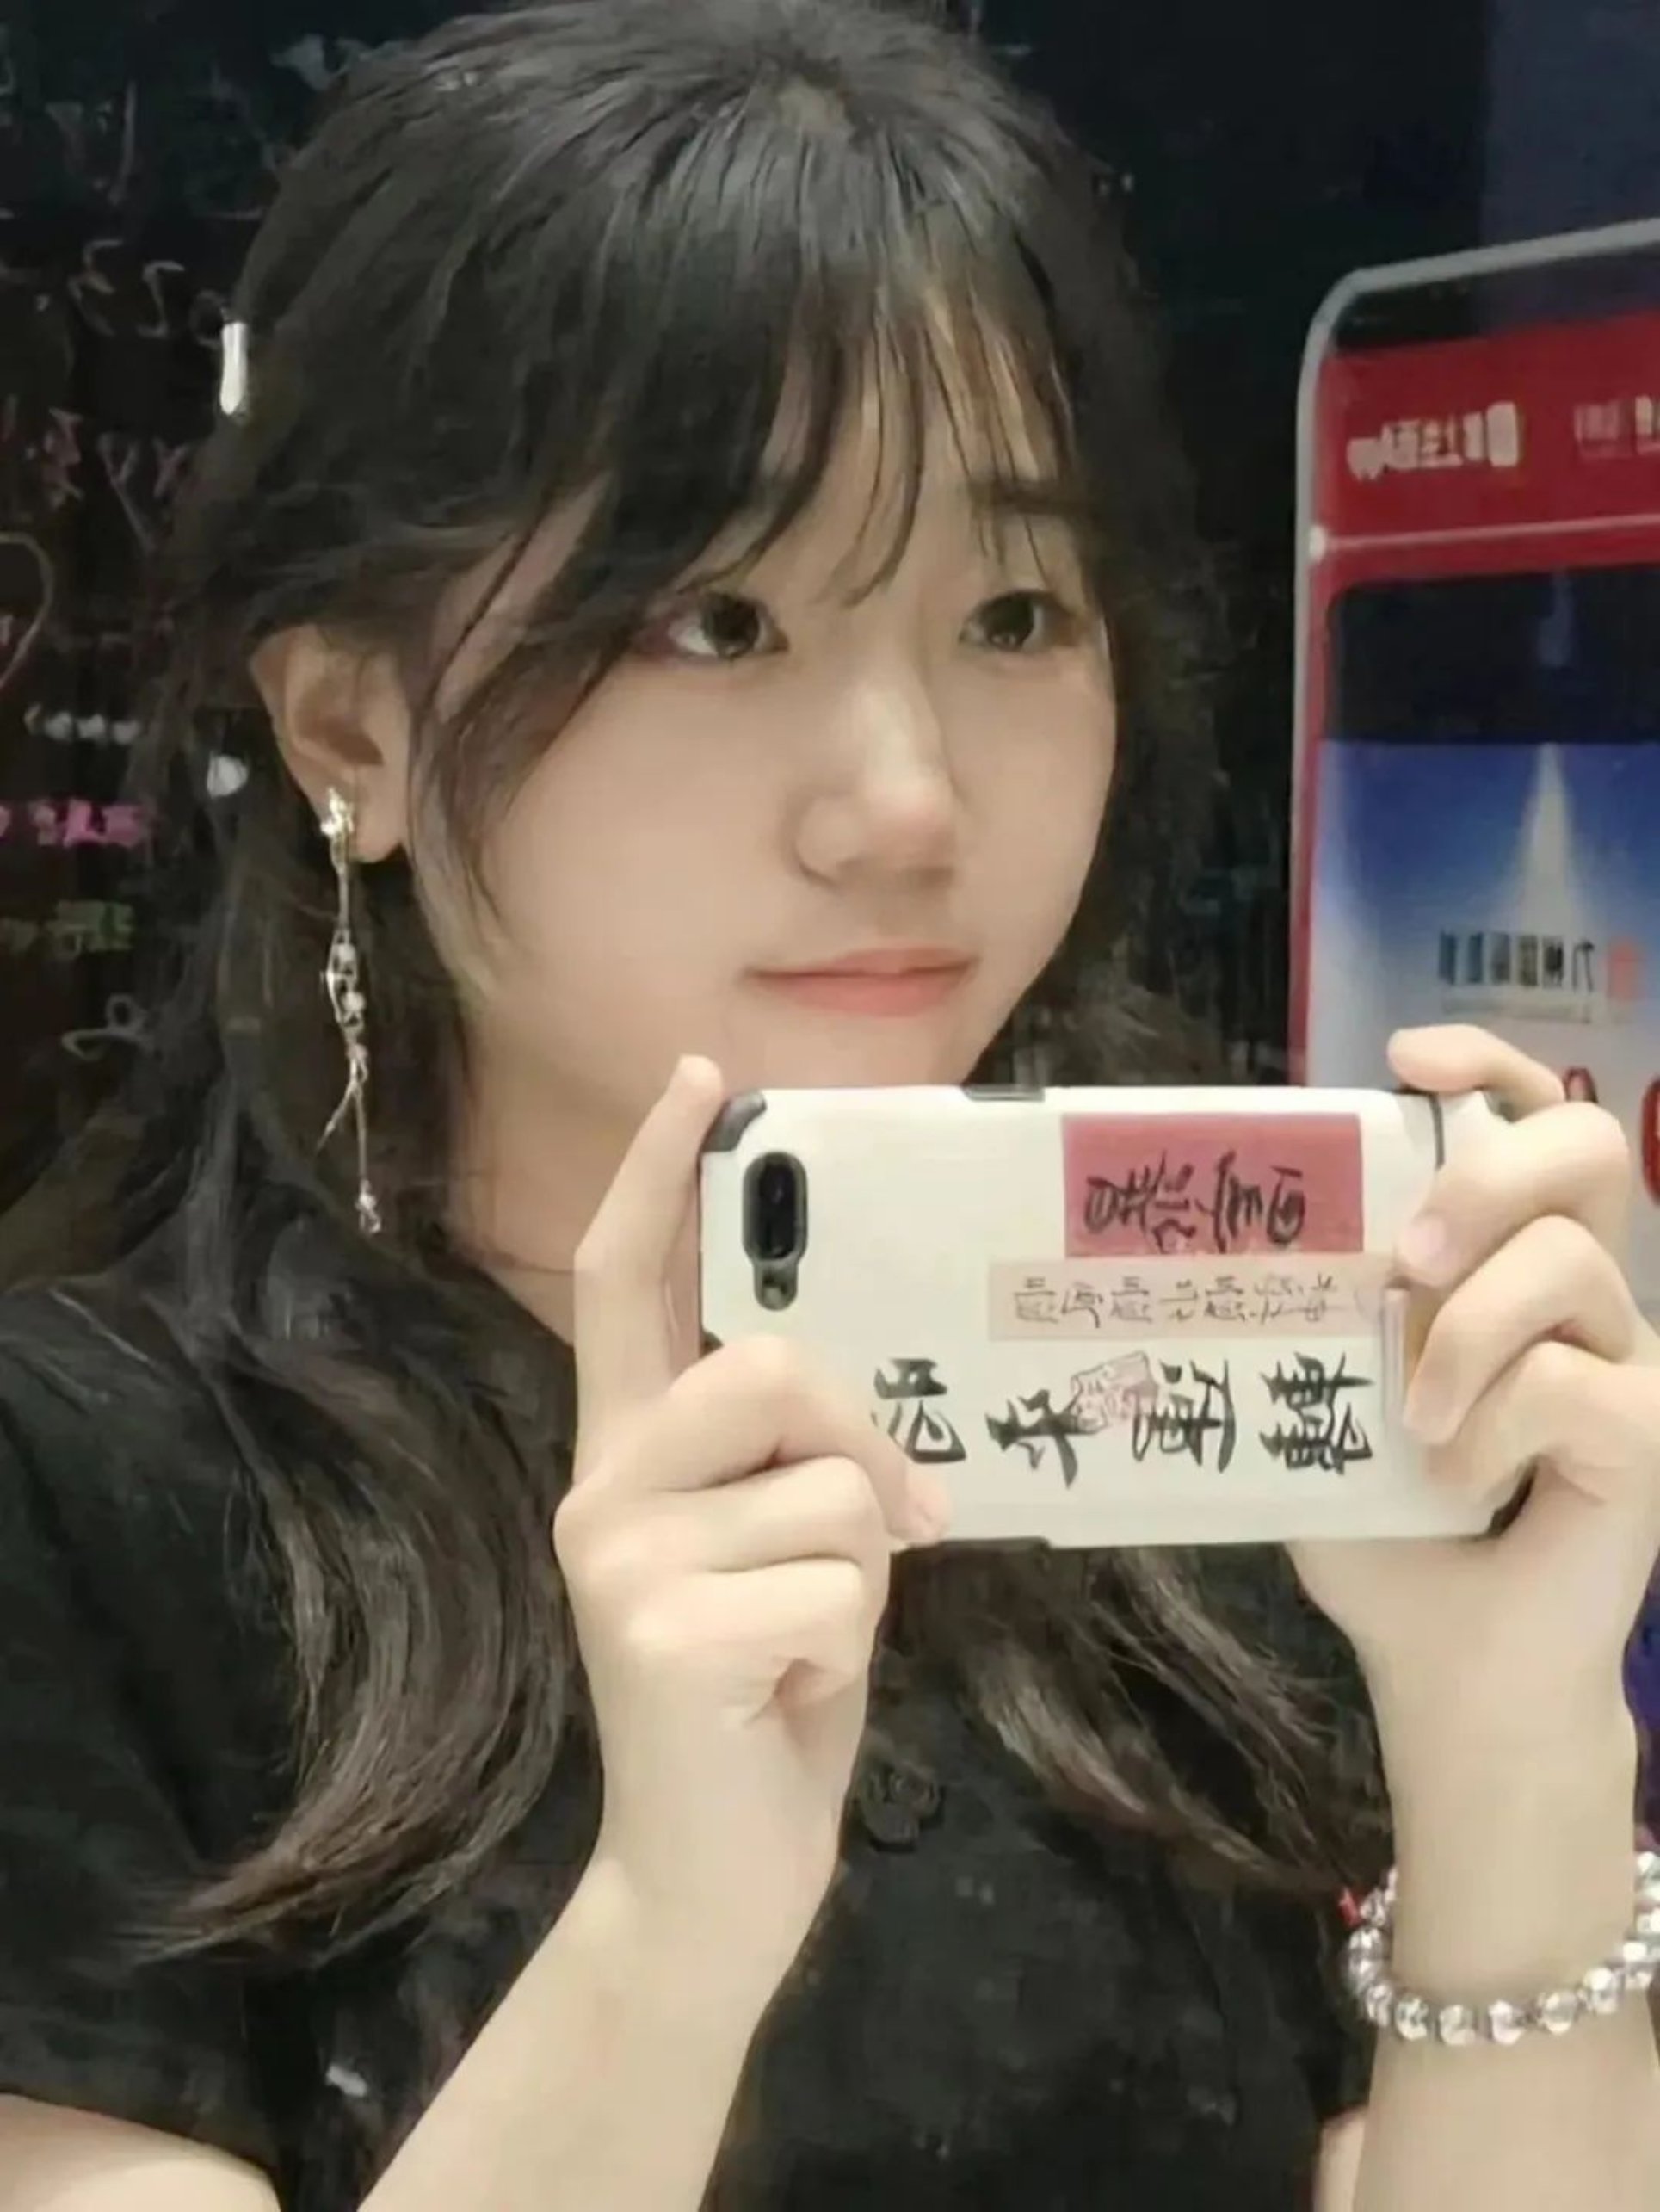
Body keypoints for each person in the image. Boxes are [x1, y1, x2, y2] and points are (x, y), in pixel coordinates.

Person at [0, 4, 1657, 2209]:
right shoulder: (78, 1496)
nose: (907, 805)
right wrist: (663, 1942)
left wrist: (1512, 1733)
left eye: (1013, 610)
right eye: (718, 618)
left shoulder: (1207, 1423)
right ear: (350, 727)